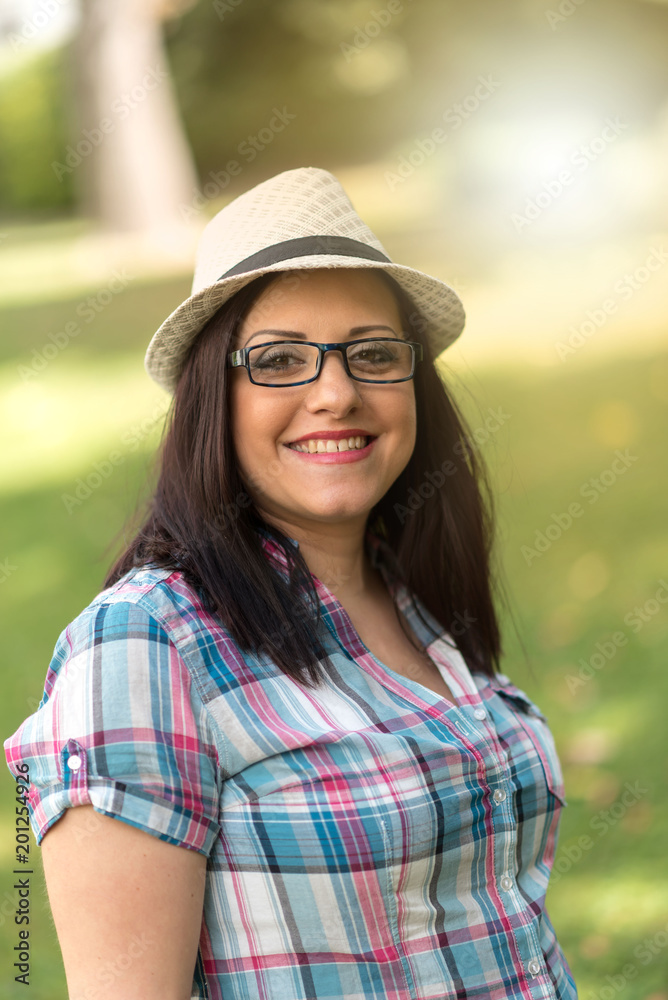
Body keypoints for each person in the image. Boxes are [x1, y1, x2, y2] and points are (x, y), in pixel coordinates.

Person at [4, 167, 577, 1000]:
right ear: (214, 395)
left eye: (374, 353)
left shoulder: (412, 600)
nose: (337, 393)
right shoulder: (146, 645)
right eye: (279, 361)